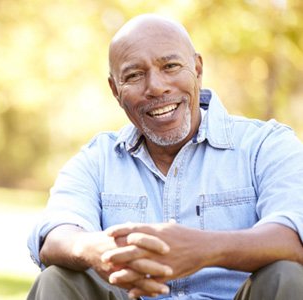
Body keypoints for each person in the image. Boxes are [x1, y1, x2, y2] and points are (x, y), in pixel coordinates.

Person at [26, 14, 303, 300]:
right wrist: (98, 249)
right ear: (115, 90)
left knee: (288, 273)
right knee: (59, 278)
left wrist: (205, 248)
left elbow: (294, 237)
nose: (156, 87)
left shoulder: (266, 145)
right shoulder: (97, 160)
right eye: (134, 75)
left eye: (170, 66)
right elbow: (55, 235)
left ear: (197, 68)